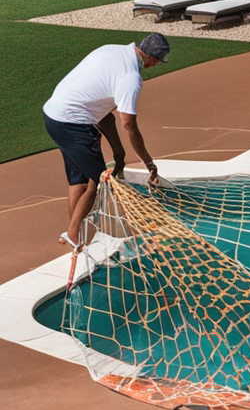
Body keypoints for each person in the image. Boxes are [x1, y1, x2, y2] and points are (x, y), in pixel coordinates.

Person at [43, 33, 170, 250]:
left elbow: (104, 116)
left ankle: (75, 235)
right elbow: (128, 124)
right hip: (74, 123)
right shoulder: (131, 77)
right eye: (158, 61)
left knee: (78, 181)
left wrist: (119, 154)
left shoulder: (112, 50)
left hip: (53, 116)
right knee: (99, 180)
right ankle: (74, 234)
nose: (156, 65)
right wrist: (149, 163)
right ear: (152, 58)